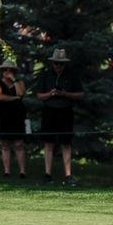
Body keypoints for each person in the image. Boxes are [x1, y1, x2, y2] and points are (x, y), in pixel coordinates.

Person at [36, 48, 84, 186]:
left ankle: (68, 175)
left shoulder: (72, 75)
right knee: (49, 143)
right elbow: (39, 96)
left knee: (66, 143)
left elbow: (80, 94)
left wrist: (64, 94)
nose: (58, 66)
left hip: (66, 111)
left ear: (65, 64)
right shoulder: (45, 75)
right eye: (56, 63)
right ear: (52, 63)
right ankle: (47, 174)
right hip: (49, 111)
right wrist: (50, 94)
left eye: (61, 64)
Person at [0, 60, 27, 178]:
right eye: (5, 70)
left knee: (18, 144)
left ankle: (22, 171)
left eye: (10, 70)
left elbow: (21, 94)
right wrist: (14, 98)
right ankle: (7, 171)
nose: (7, 72)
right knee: (5, 144)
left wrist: (14, 80)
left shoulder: (19, 82)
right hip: (2, 116)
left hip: (17, 116)